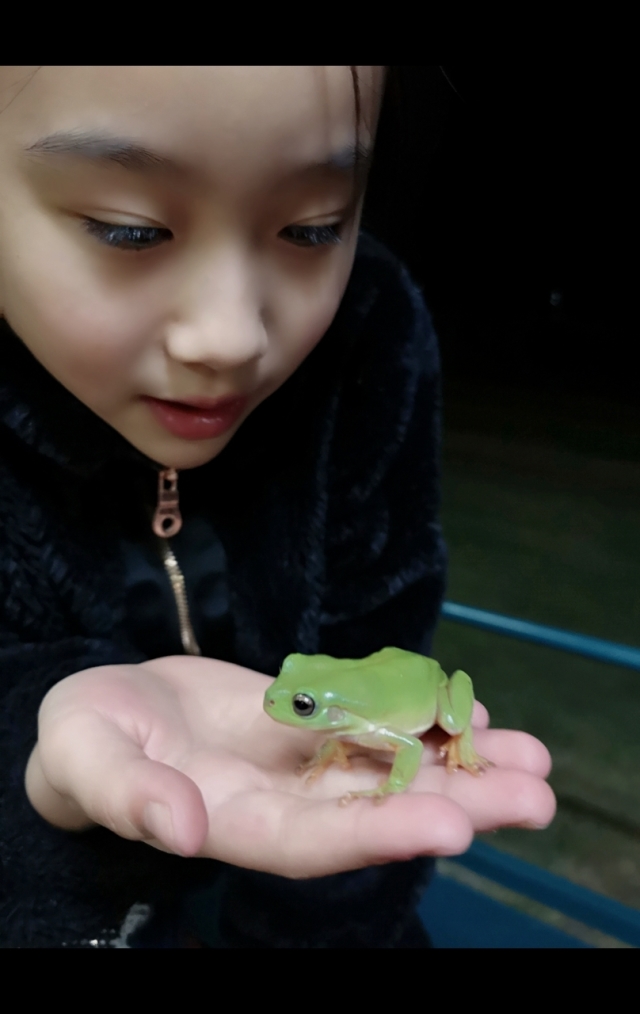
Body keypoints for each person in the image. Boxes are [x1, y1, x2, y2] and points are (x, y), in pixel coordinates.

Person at [0, 66, 555, 948]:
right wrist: (41, 782)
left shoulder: (370, 351)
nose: (229, 337)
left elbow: (391, 644)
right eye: (128, 229)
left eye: (313, 227)